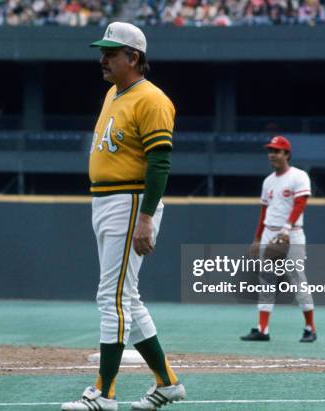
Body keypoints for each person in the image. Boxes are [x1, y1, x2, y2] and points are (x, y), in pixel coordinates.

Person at [61, 22, 186, 411]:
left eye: (111, 53)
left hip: (130, 200)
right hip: (108, 201)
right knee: (126, 299)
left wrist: (146, 216)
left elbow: (160, 161)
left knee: (110, 297)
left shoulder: (152, 99)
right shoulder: (114, 94)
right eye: (103, 51)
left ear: (134, 57)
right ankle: (167, 383)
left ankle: (105, 393)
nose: (103, 58)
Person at [240, 136, 317, 343]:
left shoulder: (299, 176)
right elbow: (264, 212)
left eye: (276, 150)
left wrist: (286, 228)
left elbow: (300, 204)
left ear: (287, 154)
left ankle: (310, 327)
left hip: (292, 233)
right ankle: (262, 329)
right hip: (270, 232)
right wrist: (257, 238)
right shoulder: (268, 181)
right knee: (266, 280)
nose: (271, 154)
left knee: (298, 279)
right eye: (270, 150)